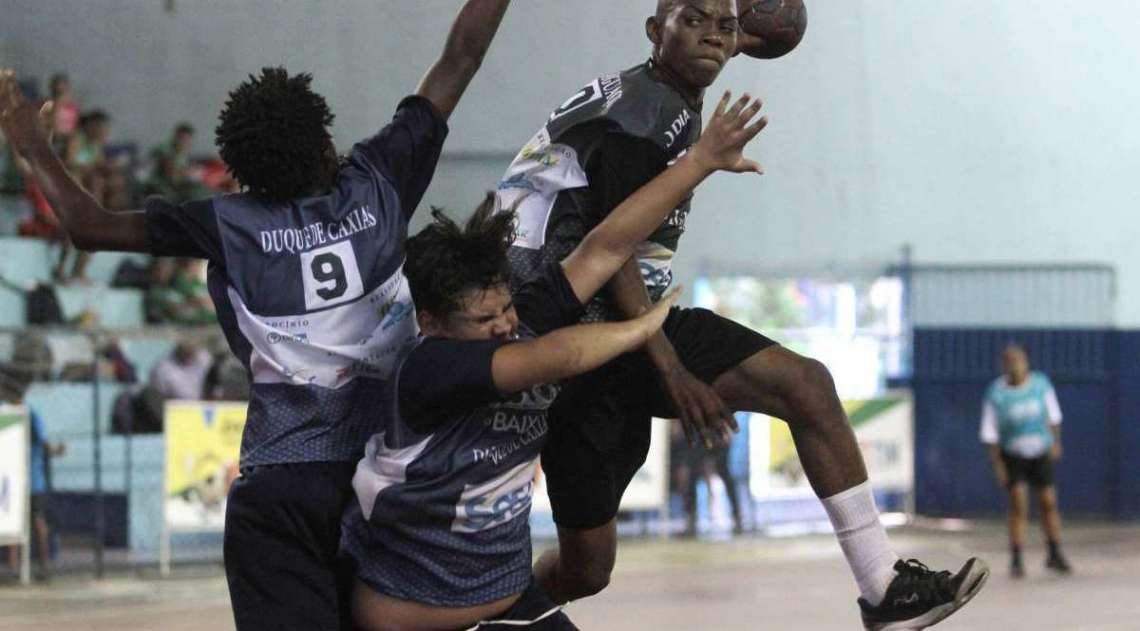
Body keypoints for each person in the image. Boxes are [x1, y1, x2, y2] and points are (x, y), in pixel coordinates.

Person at [0, 1, 512, 627]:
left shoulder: (228, 223)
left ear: (245, 172)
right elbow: (461, 55)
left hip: (283, 493)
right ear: (324, 140)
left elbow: (88, 226)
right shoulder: (377, 182)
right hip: (385, 485)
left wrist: (34, 149)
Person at [496, 1, 988, 628]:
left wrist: (742, 34)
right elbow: (607, 243)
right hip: (576, 335)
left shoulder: (663, 95)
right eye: (694, 20)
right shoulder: (647, 111)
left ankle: (882, 584)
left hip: (624, 319)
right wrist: (670, 369)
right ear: (655, 31)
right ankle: (495, 606)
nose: (711, 34)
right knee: (587, 570)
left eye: (724, 27)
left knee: (806, 384)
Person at [343, 90, 767, 631]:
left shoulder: (522, 319)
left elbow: (605, 247)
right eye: (484, 321)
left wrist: (698, 163)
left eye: (504, 309)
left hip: (507, 606)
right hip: (409, 618)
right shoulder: (428, 370)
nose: (503, 326)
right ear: (431, 323)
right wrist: (642, 326)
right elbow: (554, 356)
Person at [980, 343, 1071, 578]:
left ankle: (1054, 551)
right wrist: (998, 465)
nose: (1014, 365)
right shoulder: (997, 394)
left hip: (1040, 452)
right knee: (1019, 504)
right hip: (1014, 455)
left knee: (1048, 501)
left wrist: (1055, 441)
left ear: (1026, 362)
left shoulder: (1040, 385)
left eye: (1018, 360)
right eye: (1009, 361)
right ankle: (1017, 557)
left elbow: (1053, 417)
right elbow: (990, 433)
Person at [1, 366, 65, 581]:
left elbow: (44, 443)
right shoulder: (4, 412)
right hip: (9, 477)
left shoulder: (31, 414)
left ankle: (44, 563)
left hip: (32, 479)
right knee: (10, 521)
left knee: (36, 520)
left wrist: (55, 450)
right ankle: (13, 566)